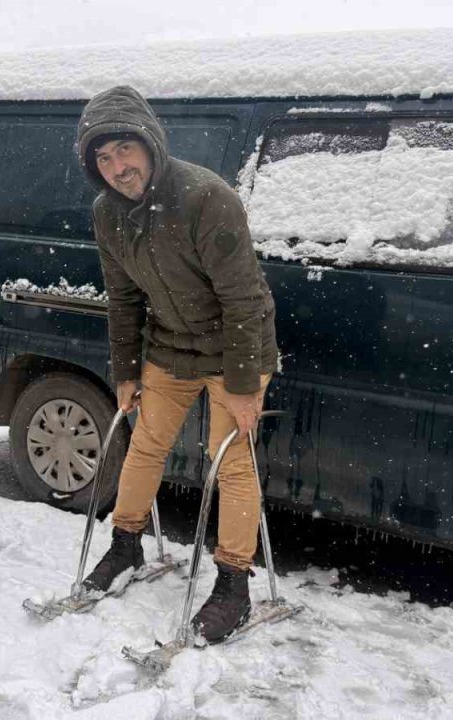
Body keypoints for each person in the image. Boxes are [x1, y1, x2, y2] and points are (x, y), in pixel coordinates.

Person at [77, 86, 279, 643]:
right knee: (145, 444)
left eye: (124, 149)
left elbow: (243, 299)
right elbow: (123, 298)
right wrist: (125, 372)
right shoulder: (106, 213)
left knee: (229, 461)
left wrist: (244, 386)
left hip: (237, 348)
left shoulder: (205, 198)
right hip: (170, 346)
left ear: (150, 142)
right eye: (103, 158)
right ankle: (125, 546)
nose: (117, 167)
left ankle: (233, 585)